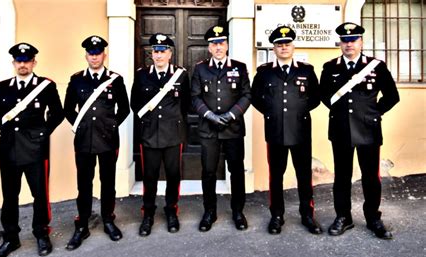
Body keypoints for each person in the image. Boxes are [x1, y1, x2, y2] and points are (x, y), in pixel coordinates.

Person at [319, 22, 400, 239]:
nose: (349, 44)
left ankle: (373, 217)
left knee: (371, 177)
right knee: (342, 177)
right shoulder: (330, 67)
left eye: (353, 40)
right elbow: (324, 96)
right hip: (341, 130)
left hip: (369, 130)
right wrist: (342, 113)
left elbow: (393, 96)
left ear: (361, 41)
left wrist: (374, 113)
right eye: (345, 40)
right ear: (340, 43)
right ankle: (343, 217)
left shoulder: (376, 66)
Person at [0, 43, 64, 257]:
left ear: (34, 63)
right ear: (14, 63)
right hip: (9, 149)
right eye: (19, 61)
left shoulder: (45, 86)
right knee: (9, 196)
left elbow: (57, 114)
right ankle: (11, 237)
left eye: (27, 60)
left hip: (36, 150)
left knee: (39, 194)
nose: (23, 64)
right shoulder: (3, 87)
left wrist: (42, 133)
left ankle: (41, 233)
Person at [251, 26, 322, 235]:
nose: (284, 47)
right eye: (280, 44)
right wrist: (272, 113)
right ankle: (277, 215)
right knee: (276, 176)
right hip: (275, 130)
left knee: (303, 175)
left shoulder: (306, 70)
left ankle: (307, 215)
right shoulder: (265, 72)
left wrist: (297, 112)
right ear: (274, 48)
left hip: (300, 130)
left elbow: (315, 98)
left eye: (287, 43)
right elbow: (255, 97)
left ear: (293, 46)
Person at [64, 35, 130, 249]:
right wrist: (79, 125)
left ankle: (108, 220)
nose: (94, 57)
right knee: (84, 184)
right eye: (91, 54)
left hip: (108, 141)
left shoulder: (115, 80)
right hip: (83, 141)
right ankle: (82, 224)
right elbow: (67, 109)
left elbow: (125, 109)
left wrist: (111, 126)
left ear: (104, 54)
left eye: (98, 53)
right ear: (86, 55)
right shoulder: (76, 80)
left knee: (108, 183)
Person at [191, 25, 251, 232]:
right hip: (209, 128)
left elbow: (246, 95)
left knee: (236, 171)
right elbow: (195, 97)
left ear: (227, 45)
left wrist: (230, 115)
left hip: (232, 128)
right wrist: (209, 115)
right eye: (214, 44)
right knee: (208, 172)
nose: (218, 47)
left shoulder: (239, 67)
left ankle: (238, 211)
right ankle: (210, 212)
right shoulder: (200, 68)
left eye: (221, 43)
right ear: (209, 47)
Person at [130, 33, 190, 236]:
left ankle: (171, 210)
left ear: (170, 53)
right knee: (149, 176)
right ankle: (148, 214)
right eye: (156, 51)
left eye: (163, 51)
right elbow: (134, 102)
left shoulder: (181, 75)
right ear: (152, 54)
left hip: (173, 134)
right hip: (150, 134)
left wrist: (175, 121)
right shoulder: (141, 75)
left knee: (173, 175)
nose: (159, 55)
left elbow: (186, 103)